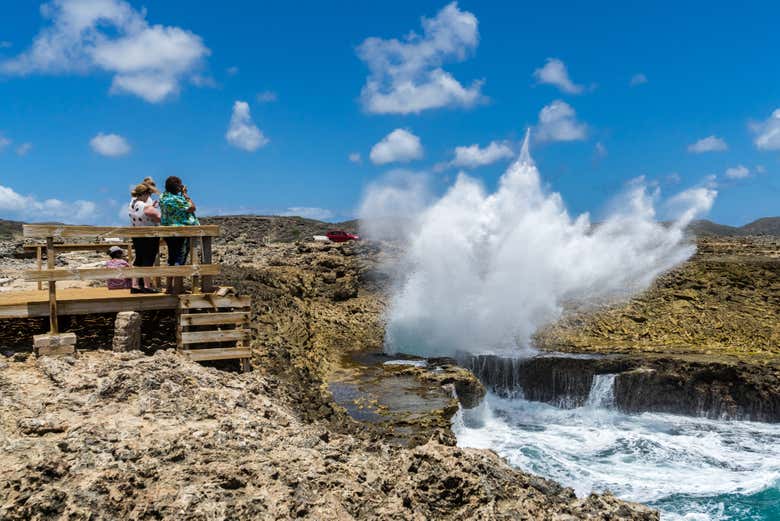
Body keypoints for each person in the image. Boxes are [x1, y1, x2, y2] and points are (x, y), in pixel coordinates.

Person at [160, 176, 199, 293]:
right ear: (177, 186)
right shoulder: (177, 199)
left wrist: (180, 193)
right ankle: (178, 287)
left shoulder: (163, 197)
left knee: (171, 258)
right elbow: (192, 208)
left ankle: (169, 287)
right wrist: (186, 194)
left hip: (168, 231)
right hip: (181, 232)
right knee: (179, 259)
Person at [128, 182, 161, 293]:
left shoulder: (132, 203)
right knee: (148, 259)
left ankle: (135, 285)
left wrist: (152, 206)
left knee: (139, 259)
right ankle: (147, 286)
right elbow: (157, 217)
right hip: (149, 235)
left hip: (136, 234)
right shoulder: (144, 205)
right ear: (145, 193)